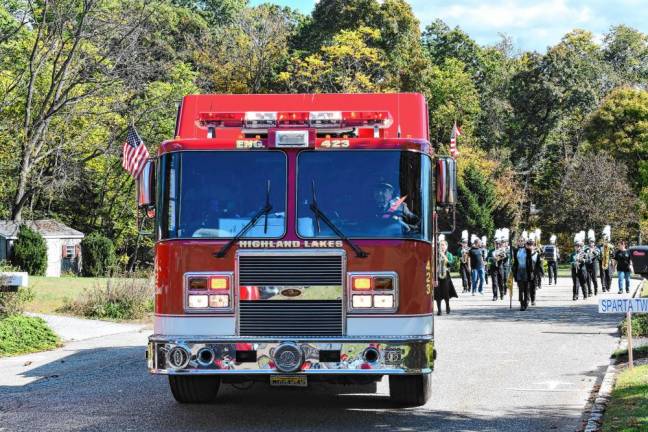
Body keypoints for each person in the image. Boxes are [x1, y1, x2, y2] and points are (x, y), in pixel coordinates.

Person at [512, 236, 540, 310]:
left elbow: (530, 262)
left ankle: (526, 301)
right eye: (519, 241)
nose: (520, 242)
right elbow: (515, 262)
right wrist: (513, 269)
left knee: (526, 288)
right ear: (517, 242)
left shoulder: (528, 250)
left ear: (524, 242)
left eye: (522, 241)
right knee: (521, 289)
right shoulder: (515, 250)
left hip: (526, 271)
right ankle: (521, 303)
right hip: (519, 271)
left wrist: (531, 272)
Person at [436, 237, 458, 315]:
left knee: (446, 292)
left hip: (446, 275)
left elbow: (450, 264)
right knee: (437, 292)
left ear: (446, 246)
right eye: (440, 245)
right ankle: (439, 310)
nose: (442, 247)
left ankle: (447, 306)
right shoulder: (436, 254)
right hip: (437, 275)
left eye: (443, 245)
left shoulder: (449, 254)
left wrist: (444, 257)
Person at [570, 232, 588, 300]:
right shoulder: (572, 254)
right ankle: (575, 296)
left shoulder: (583, 253)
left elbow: (587, 260)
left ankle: (585, 295)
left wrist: (582, 260)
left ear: (580, 246)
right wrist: (574, 263)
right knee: (575, 283)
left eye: (578, 246)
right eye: (576, 246)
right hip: (574, 270)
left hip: (582, 270)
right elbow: (570, 262)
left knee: (583, 283)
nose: (577, 247)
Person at [585, 229, 601, 296]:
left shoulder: (597, 248)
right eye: (590, 242)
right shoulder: (586, 249)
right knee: (588, 278)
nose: (591, 243)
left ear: (594, 243)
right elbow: (583, 255)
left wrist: (592, 251)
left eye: (592, 242)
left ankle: (596, 289)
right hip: (588, 264)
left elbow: (597, 254)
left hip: (595, 263)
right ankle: (589, 291)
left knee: (594, 278)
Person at [599, 225, 614, 293]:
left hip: (609, 262)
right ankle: (603, 286)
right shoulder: (599, 246)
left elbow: (614, 255)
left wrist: (611, 252)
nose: (605, 240)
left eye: (606, 239)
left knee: (609, 275)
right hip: (602, 262)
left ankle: (609, 286)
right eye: (604, 239)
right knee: (603, 275)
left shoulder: (611, 246)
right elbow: (597, 255)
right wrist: (600, 256)